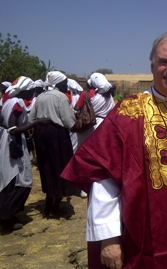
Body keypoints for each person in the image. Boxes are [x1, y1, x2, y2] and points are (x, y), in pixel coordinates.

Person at [61, 32, 167, 269]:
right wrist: (109, 238)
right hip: (142, 239)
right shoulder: (128, 113)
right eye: (164, 61)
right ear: (152, 66)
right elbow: (103, 175)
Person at [0, 77, 49, 230]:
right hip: (14, 142)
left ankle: (8, 213)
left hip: (7, 140)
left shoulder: (8, 101)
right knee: (21, 180)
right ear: (25, 90)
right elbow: (13, 128)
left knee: (10, 177)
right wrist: (36, 123)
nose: (33, 94)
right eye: (31, 91)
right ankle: (6, 217)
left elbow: (3, 121)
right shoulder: (18, 104)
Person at [29, 71, 79, 218]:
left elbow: (31, 118)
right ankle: (55, 204)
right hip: (56, 134)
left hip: (40, 134)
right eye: (64, 83)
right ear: (58, 83)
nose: (66, 86)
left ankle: (48, 203)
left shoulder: (40, 97)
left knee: (46, 167)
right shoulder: (60, 97)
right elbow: (69, 122)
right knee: (59, 166)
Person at [74, 72, 115, 146]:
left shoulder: (89, 94)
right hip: (105, 125)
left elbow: (77, 108)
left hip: (90, 124)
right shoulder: (110, 97)